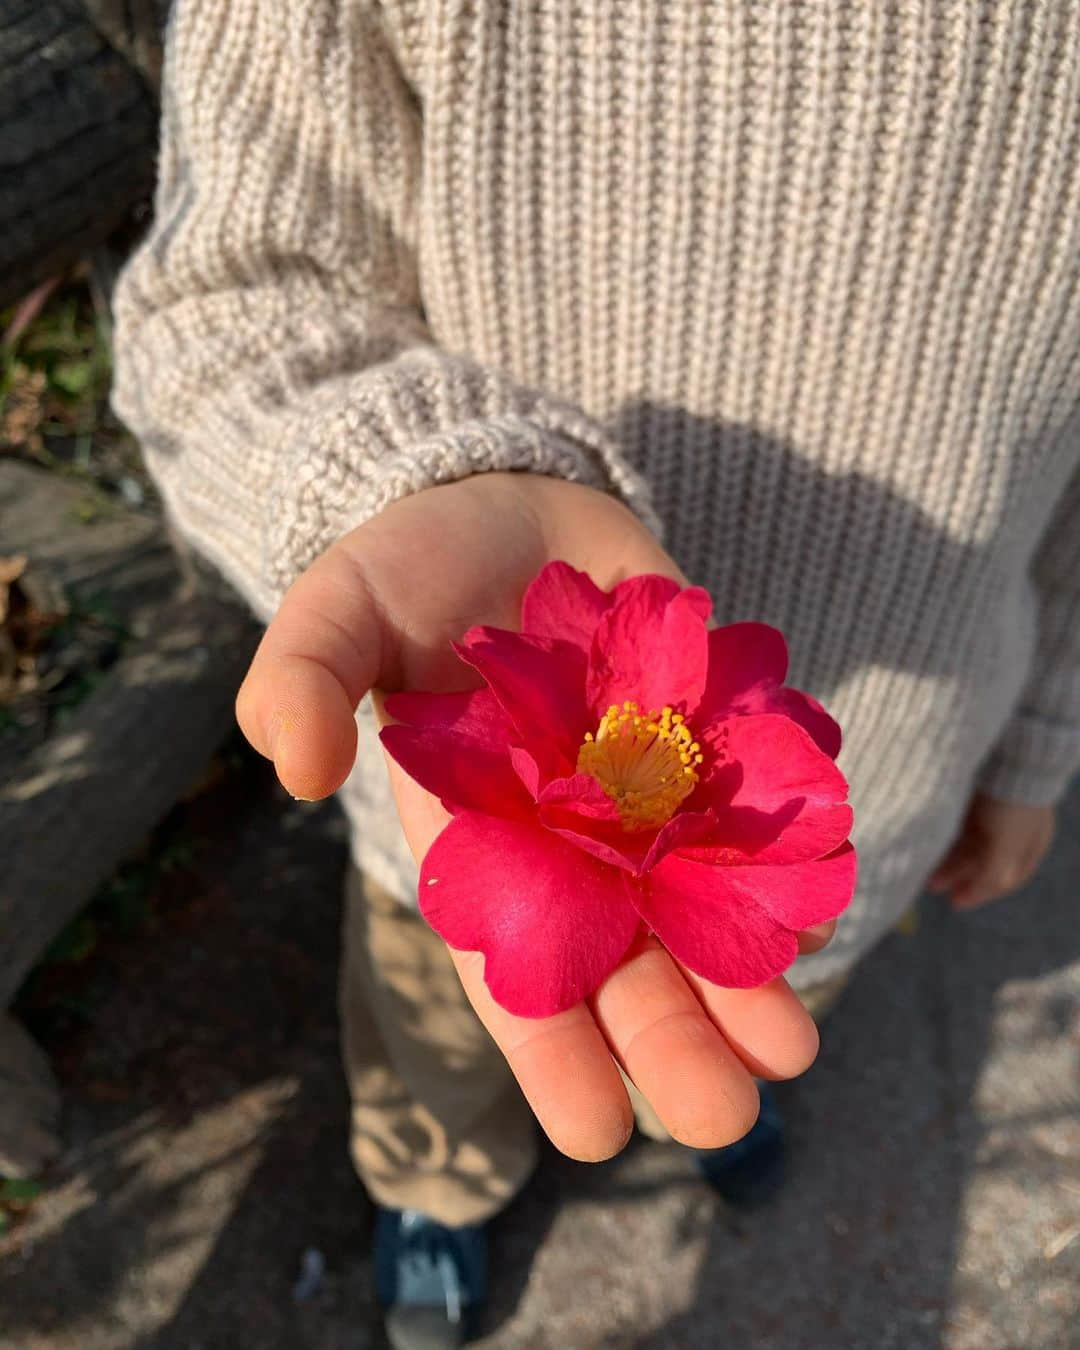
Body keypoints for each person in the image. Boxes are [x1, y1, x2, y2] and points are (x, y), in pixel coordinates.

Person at [112, 3, 1079, 1346]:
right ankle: (435, 1191)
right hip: (468, 825)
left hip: (886, 779)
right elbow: (224, 300)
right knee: (445, 1048)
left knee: (748, 1021)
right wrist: (417, 464)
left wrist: (1039, 736)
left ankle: (708, 1114)